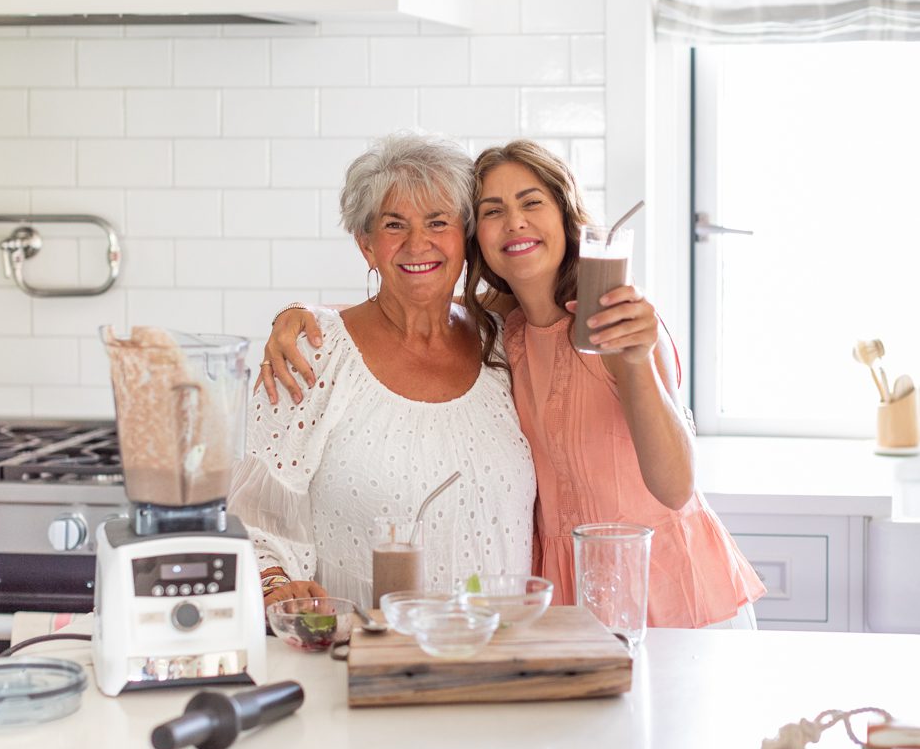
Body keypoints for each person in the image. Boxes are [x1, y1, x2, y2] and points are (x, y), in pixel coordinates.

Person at [261, 139, 763, 630]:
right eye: (494, 210)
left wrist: (634, 361)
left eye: (531, 203)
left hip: (667, 591)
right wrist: (304, 315)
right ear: (478, 235)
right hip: (567, 603)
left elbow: (676, 490)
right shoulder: (507, 330)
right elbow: (407, 304)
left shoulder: (615, 322)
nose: (515, 222)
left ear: (565, 216)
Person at [228, 134, 535, 618]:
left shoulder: (507, 345)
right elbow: (253, 518)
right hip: (361, 653)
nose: (419, 243)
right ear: (367, 245)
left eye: (438, 222)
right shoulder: (314, 357)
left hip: (500, 653)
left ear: (464, 238)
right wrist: (273, 584)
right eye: (395, 225)